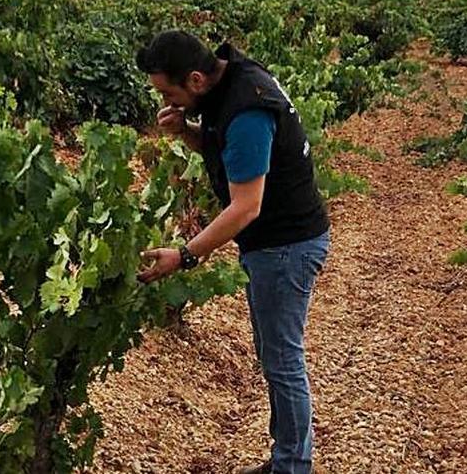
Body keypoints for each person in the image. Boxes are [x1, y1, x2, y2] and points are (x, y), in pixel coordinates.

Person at [135, 30, 331, 474]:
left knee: (283, 361)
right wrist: (186, 131)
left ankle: (292, 467)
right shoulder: (235, 82)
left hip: (286, 246)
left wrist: (185, 255)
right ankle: (287, 460)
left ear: (197, 79)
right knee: (275, 355)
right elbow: (229, 153)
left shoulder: (246, 110)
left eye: (170, 92)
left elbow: (246, 206)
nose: (168, 100)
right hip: (278, 243)